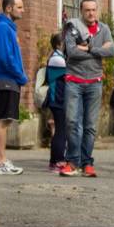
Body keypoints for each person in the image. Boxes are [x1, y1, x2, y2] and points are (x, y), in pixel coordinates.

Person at [59, 0, 114, 178]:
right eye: (87, 10)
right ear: (81, 11)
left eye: (93, 10)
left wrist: (89, 48)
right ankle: (72, 162)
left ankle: (87, 163)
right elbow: (72, 52)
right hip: (73, 81)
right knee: (71, 122)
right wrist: (98, 49)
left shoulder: (104, 29)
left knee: (90, 126)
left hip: (94, 82)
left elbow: (112, 51)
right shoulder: (72, 28)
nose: (91, 13)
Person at [0, 0, 28, 175]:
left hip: (9, 80)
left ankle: (2, 159)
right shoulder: (3, 28)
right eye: (20, 7)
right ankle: (1, 161)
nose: (23, 10)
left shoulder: (8, 28)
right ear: (9, 8)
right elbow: (5, 57)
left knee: (3, 121)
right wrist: (21, 76)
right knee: (3, 121)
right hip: (5, 80)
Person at [44, 34, 68, 172]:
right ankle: (58, 160)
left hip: (58, 98)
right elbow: (71, 71)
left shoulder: (57, 57)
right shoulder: (57, 59)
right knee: (61, 130)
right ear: (59, 45)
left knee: (60, 129)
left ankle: (54, 161)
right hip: (57, 98)